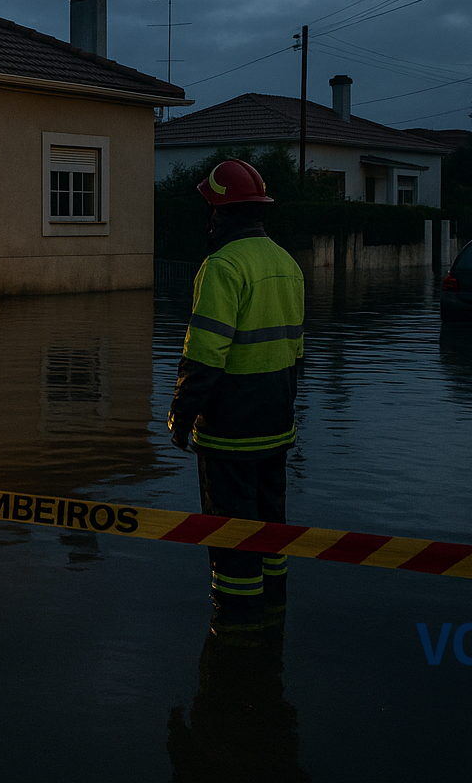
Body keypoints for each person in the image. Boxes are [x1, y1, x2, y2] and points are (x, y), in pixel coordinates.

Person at [168, 158, 304, 629]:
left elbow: (205, 356)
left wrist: (180, 418)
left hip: (230, 433)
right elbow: (296, 353)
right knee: (272, 526)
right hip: (276, 426)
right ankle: (276, 615)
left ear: (219, 213)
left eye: (209, 208)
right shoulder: (287, 263)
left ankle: (236, 633)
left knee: (231, 534)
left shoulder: (222, 266)